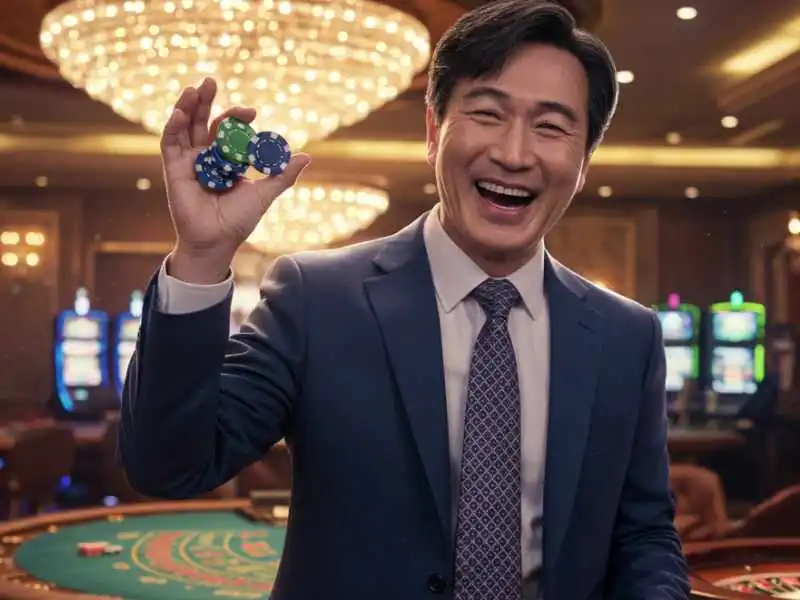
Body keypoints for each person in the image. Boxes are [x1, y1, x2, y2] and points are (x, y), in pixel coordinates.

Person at [119, 1, 691, 598]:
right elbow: (169, 466)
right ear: (434, 131)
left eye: (550, 127)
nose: (514, 154)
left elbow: (643, 534)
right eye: (488, 113)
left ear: (584, 161)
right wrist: (202, 255)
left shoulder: (627, 336)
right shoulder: (317, 299)